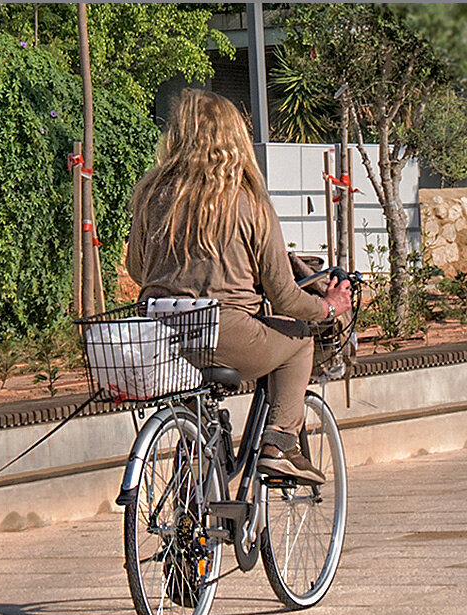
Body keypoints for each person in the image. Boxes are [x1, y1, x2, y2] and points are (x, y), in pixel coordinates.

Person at [126, 89, 351, 485]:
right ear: (236, 140)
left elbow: (137, 269)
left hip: (157, 333)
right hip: (224, 332)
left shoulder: (153, 195)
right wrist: (329, 308)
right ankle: (278, 446)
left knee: (198, 402)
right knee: (298, 340)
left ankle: (194, 484)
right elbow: (283, 294)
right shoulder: (249, 203)